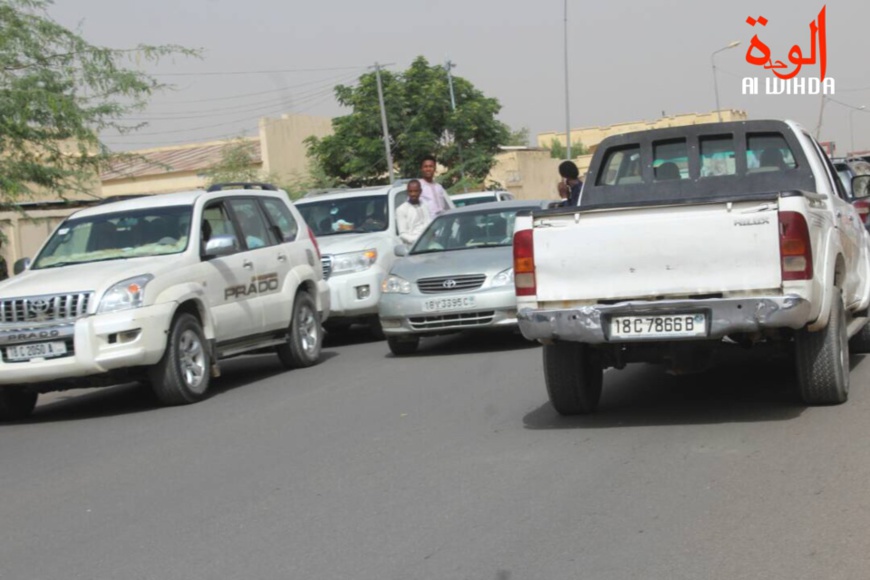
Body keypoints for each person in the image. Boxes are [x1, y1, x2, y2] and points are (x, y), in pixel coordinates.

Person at [396, 179, 431, 246]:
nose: (413, 194)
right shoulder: (402, 209)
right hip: (412, 246)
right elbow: (403, 234)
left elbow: (428, 223)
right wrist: (418, 240)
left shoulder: (424, 205)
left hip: (428, 242)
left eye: (415, 191)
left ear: (420, 191)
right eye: (410, 191)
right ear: (407, 192)